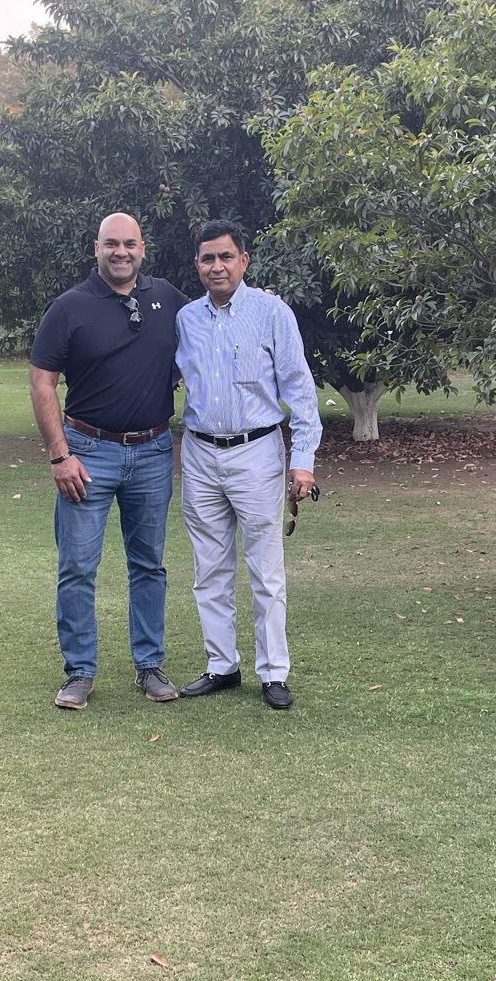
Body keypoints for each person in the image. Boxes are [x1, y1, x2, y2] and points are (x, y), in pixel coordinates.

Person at [28, 213, 191, 710]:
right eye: (111, 245)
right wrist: (60, 456)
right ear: (95, 249)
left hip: (153, 451)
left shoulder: (167, 299)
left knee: (149, 565)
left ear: (144, 249)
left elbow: (215, 321)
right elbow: (42, 382)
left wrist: (260, 302)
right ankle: (79, 671)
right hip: (87, 452)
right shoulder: (69, 308)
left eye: (130, 244)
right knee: (77, 566)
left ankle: (150, 666)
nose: (121, 253)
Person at [173, 220, 322, 710]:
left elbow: (299, 389)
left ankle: (273, 673)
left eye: (226, 257)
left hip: (257, 452)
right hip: (198, 453)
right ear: (196, 264)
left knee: (266, 569)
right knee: (209, 568)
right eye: (207, 258)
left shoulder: (271, 312)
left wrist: (303, 463)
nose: (217, 266)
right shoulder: (186, 319)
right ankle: (222, 665)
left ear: (244, 260)